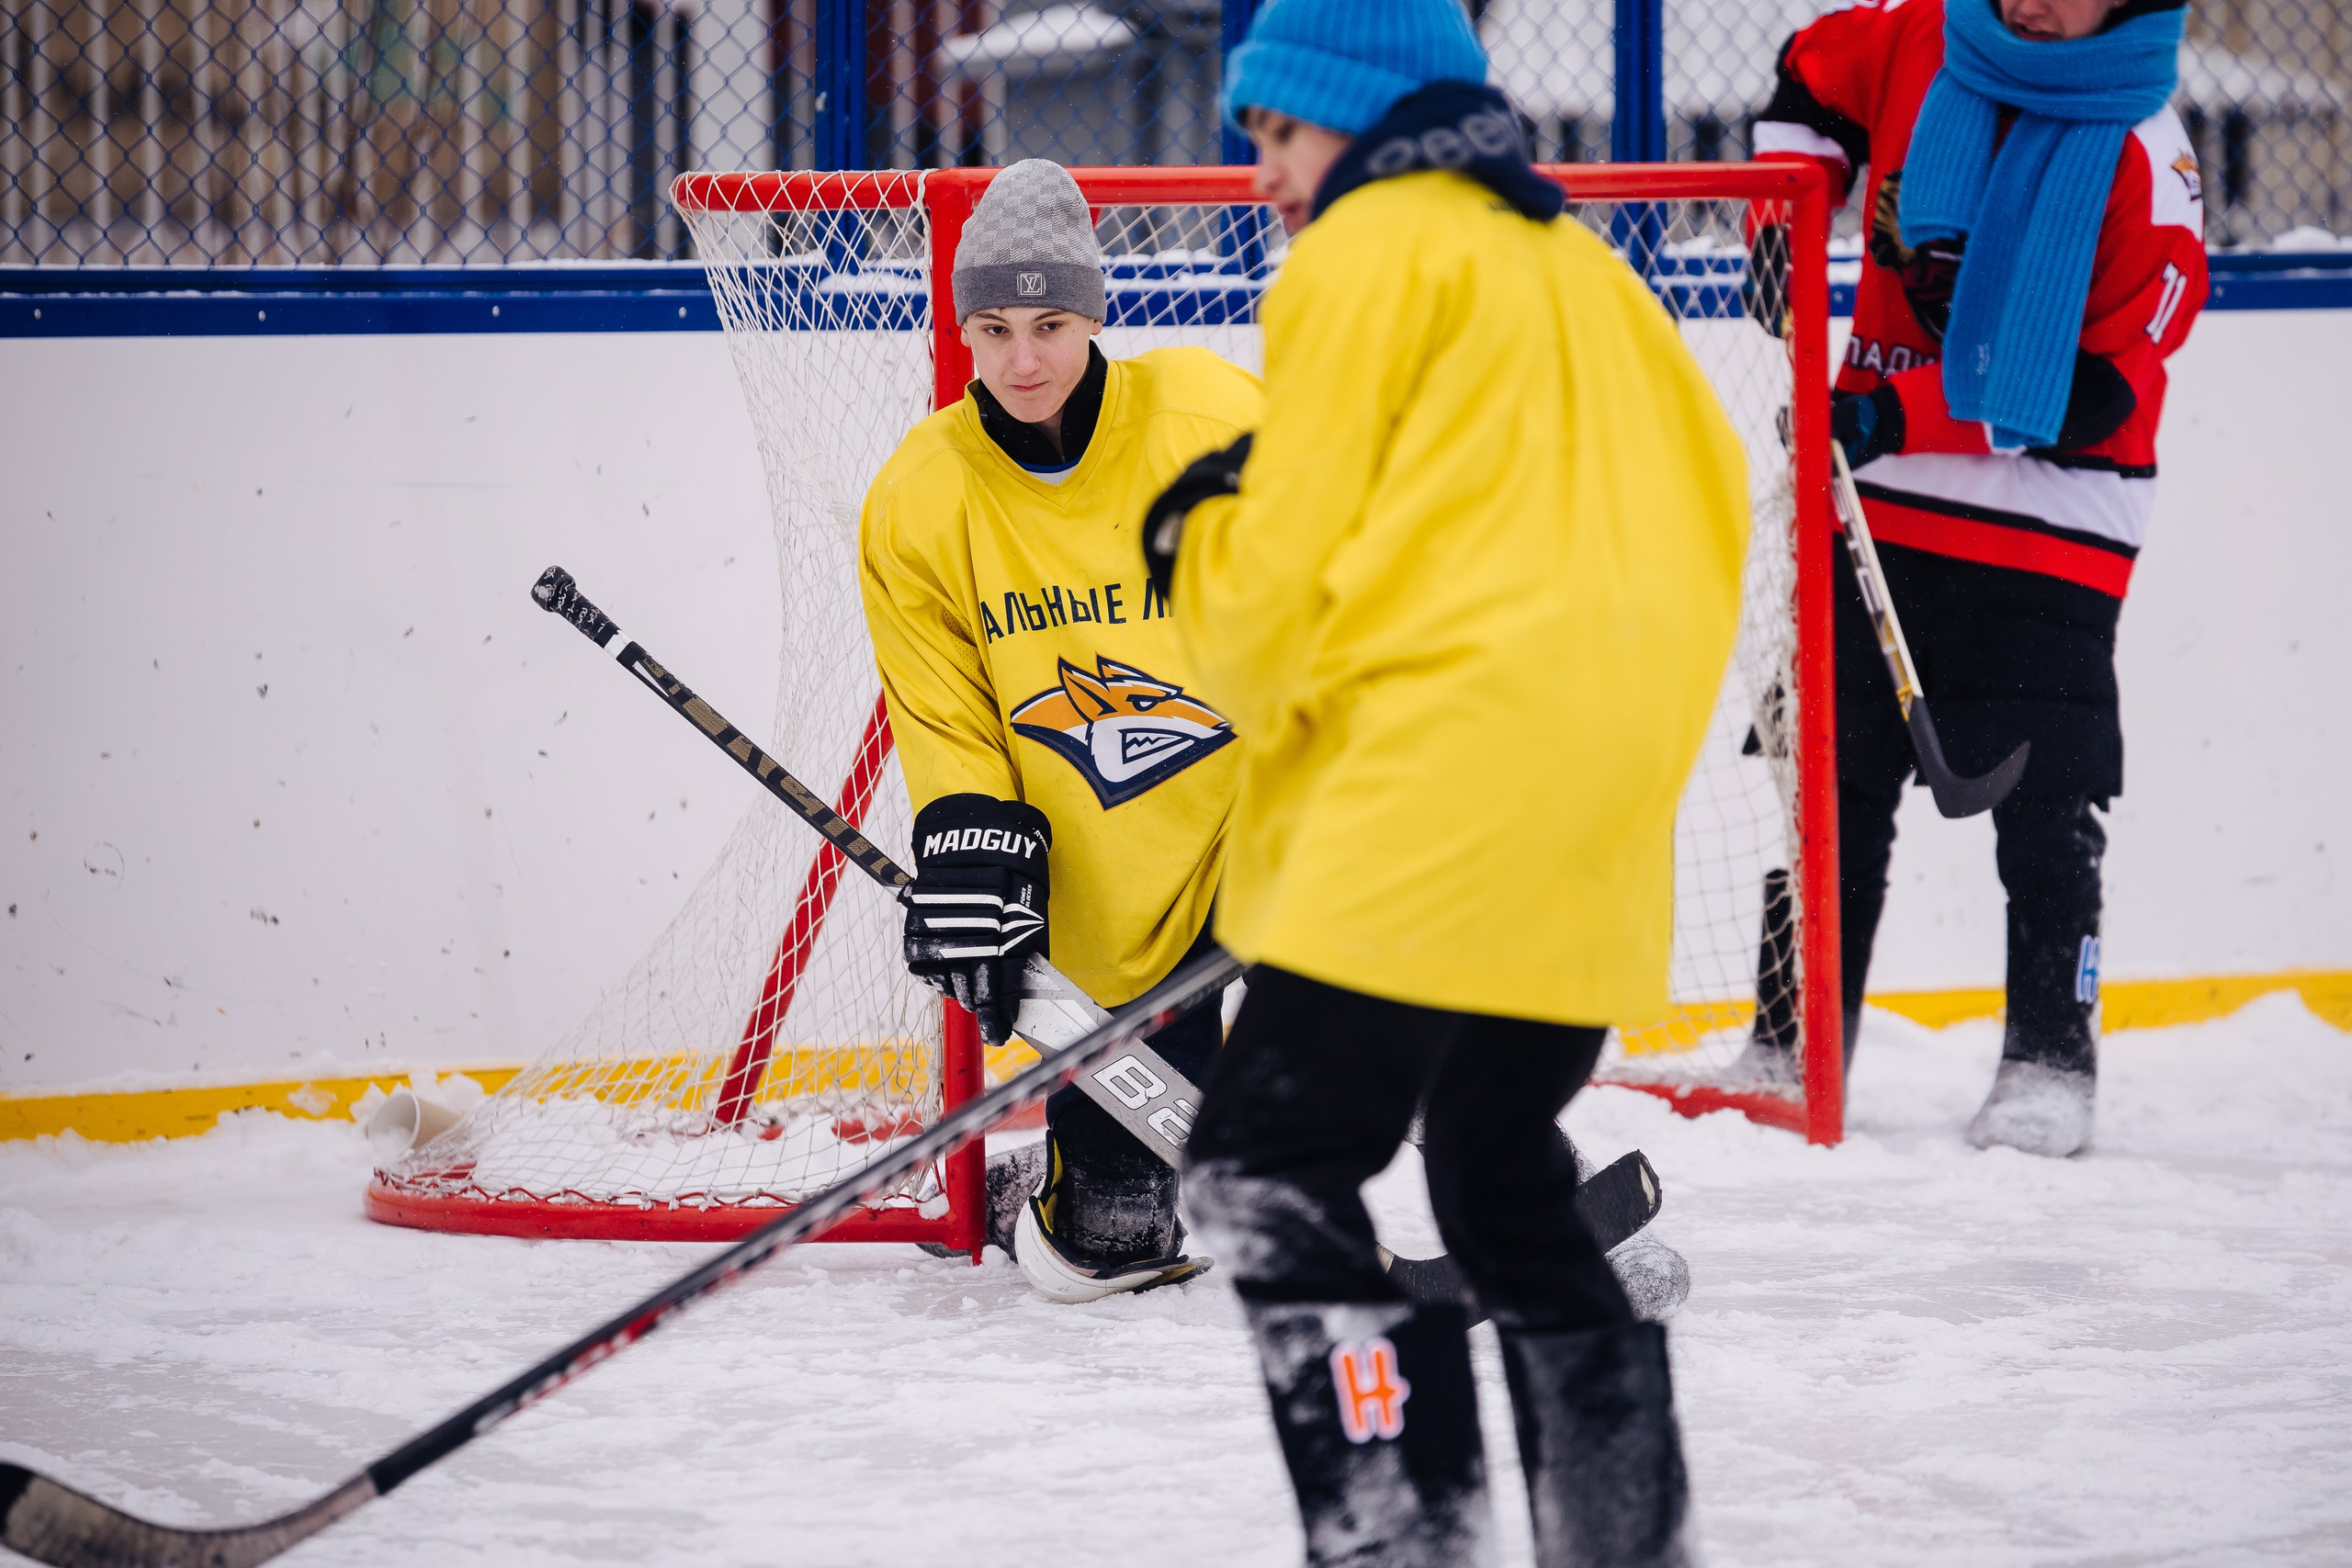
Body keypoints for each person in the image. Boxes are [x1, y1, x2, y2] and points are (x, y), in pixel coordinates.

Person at [1146, 1, 1748, 1560]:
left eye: (1277, 135)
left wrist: (1191, 532)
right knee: (1495, 1171)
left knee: (1266, 1170)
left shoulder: (1364, 252)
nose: (1264, 176)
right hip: (1592, 821)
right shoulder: (1588, 275)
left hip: (1433, 798)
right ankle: (1626, 1541)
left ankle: (1403, 1534)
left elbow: (1276, 596)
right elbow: (1700, 527)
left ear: (1355, 112)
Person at [1741, 0, 2205, 1156]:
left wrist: (1886, 410)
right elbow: (1808, 82)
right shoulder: (1916, 40)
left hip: (2054, 522)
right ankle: (1797, 1036)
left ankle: (2050, 1060)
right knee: (1831, 781)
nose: (2030, 2)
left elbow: (2088, 395)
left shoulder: (2150, 156)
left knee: (2044, 806)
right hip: (1877, 499)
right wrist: (1780, 235)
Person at [858, 158, 1262, 1303]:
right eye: (992, 327)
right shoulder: (921, 497)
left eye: (1048, 323)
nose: (1022, 360)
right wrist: (970, 844)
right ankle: (1075, 1185)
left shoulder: (1209, 417)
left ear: (1094, 316)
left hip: (1264, 824)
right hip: (1112, 897)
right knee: (1098, 1256)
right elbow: (943, 712)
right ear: (964, 330)